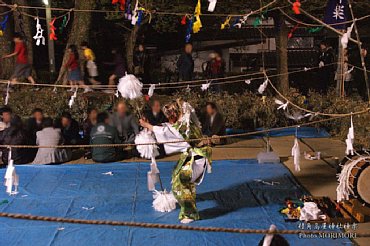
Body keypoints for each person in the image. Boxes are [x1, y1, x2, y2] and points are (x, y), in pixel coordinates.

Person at [139, 100, 212, 224]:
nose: (169, 118)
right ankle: (183, 199)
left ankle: (191, 213)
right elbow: (167, 127)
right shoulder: (181, 123)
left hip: (197, 157)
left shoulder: (186, 125)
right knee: (176, 176)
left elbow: (169, 132)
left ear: (175, 113)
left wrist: (149, 126)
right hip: (190, 155)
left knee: (183, 180)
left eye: (170, 115)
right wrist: (149, 125)